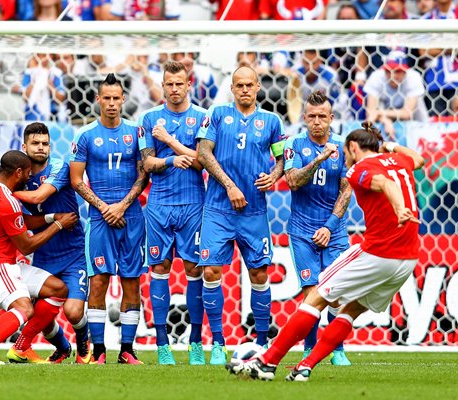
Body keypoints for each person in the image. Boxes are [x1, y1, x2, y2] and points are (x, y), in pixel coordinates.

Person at [235, 122, 424, 381]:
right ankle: (306, 366)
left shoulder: (360, 168)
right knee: (351, 310)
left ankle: (266, 362)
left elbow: (383, 183)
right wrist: (388, 145)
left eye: (346, 152)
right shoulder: (399, 161)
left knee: (315, 296)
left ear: (354, 148)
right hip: (407, 259)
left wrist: (399, 207)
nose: (344, 158)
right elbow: (419, 158)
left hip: (378, 252)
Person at [196, 66, 286, 364]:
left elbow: (283, 159)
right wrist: (230, 186)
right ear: (232, 88)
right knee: (210, 271)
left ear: (258, 87)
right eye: (239, 85)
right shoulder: (218, 115)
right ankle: (218, 342)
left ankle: (261, 343)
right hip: (219, 209)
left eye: (249, 84)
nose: (245, 89)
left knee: (259, 273)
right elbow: (204, 153)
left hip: (254, 211)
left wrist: (274, 175)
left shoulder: (271, 122)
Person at [0, 150, 77, 365]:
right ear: (18, 172)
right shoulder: (8, 202)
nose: (29, 178)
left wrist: (52, 216)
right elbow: (26, 245)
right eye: (27, 174)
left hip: (2, 263)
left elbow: (18, 221)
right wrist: (58, 225)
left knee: (58, 289)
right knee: (23, 308)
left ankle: (21, 348)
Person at [70, 73, 149, 364]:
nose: (112, 103)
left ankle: (126, 349)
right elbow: (77, 180)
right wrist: (105, 208)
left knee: (131, 282)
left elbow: (144, 174)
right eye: (107, 98)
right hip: (99, 219)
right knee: (99, 282)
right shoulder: (86, 135)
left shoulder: (136, 133)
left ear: (123, 99)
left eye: (117, 98)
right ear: (97, 100)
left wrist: (123, 205)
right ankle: (100, 351)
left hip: (131, 217)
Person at [138, 61, 206, 365]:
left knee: (195, 271)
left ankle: (195, 342)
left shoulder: (203, 118)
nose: (175, 89)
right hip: (159, 205)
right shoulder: (150, 118)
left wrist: (170, 143)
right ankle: (162, 343)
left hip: (194, 204)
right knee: (160, 269)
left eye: (180, 83)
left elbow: (204, 162)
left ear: (189, 84)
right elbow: (146, 165)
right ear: (163, 86)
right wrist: (168, 161)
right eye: (169, 84)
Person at [11, 122, 92, 364]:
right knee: (39, 314)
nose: (41, 148)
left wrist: (4, 191)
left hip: (74, 252)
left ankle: (83, 345)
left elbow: (39, 197)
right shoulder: (18, 177)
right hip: (44, 254)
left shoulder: (59, 166)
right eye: (35, 143)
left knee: (73, 311)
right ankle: (63, 348)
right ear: (24, 146)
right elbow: (24, 218)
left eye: (45, 143)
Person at [283, 91, 353, 366]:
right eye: (311, 117)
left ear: (331, 118)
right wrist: (319, 159)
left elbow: (346, 192)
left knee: (336, 292)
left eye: (322, 117)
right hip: (301, 231)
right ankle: (309, 349)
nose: (316, 122)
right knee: (311, 292)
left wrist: (329, 226)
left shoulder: (344, 147)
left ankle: (337, 349)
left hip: (333, 231)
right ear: (304, 118)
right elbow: (293, 181)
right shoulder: (294, 145)